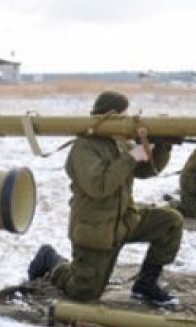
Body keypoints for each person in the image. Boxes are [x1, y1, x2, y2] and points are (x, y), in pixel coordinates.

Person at [27, 91, 183, 307]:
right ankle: (50, 259)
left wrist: (162, 145)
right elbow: (99, 187)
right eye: (122, 115)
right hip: (96, 229)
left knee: (170, 222)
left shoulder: (118, 142)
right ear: (110, 115)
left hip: (125, 220)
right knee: (83, 292)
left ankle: (145, 284)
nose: (126, 120)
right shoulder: (84, 147)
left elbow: (147, 170)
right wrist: (131, 156)